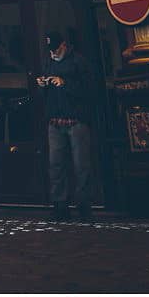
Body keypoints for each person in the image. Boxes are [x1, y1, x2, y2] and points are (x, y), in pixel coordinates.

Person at [37, 29, 100, 221]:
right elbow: (47, 95)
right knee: (56, 165)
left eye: (56, 49)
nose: (53, 54)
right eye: (50, 51)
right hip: (55, 121)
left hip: (76, 121)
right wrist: (43, 85)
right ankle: (60, 205)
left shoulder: (78, 62)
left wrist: (64, 83)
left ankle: (83, 205)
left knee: (81, 165)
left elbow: (90, 90)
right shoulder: (48, 63)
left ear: (64, 45)